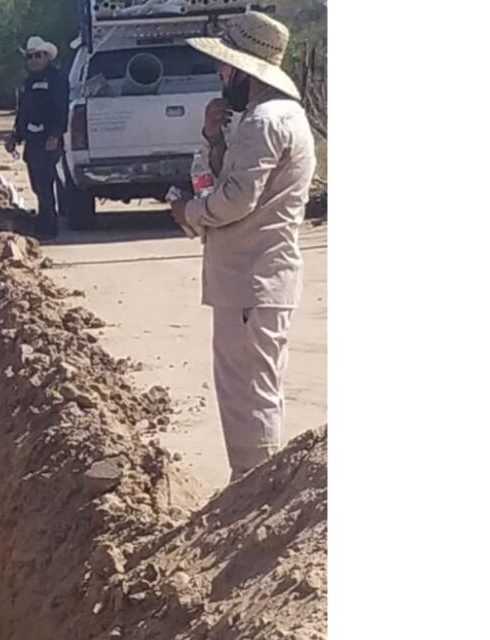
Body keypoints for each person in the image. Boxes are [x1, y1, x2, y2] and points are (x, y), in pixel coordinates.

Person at [169, 11, 316, 483]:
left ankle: (254, 484)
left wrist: (188, 213)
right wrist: (214, 139)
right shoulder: (275, 118)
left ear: (243, 69)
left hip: (250, 279)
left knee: (248, 391)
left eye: (225, 67)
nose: (220, 76)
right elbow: (239, 183)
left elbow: (235, 200)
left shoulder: (263, 123)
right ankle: (255, 483)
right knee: (255, 387)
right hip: (258, 278)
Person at [5, 36, 69, 240]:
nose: (34, 60)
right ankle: (44, 221)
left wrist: (55, 135)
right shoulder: (28, 83)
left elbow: (61, 110)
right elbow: (23, 112)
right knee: (37, 184)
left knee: (45, 183)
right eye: (30, 56)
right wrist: (15, 136)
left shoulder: (56, 80)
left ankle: (49, 228)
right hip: (32, 141)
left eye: (38, 55)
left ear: (47, 57)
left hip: (48, 140)